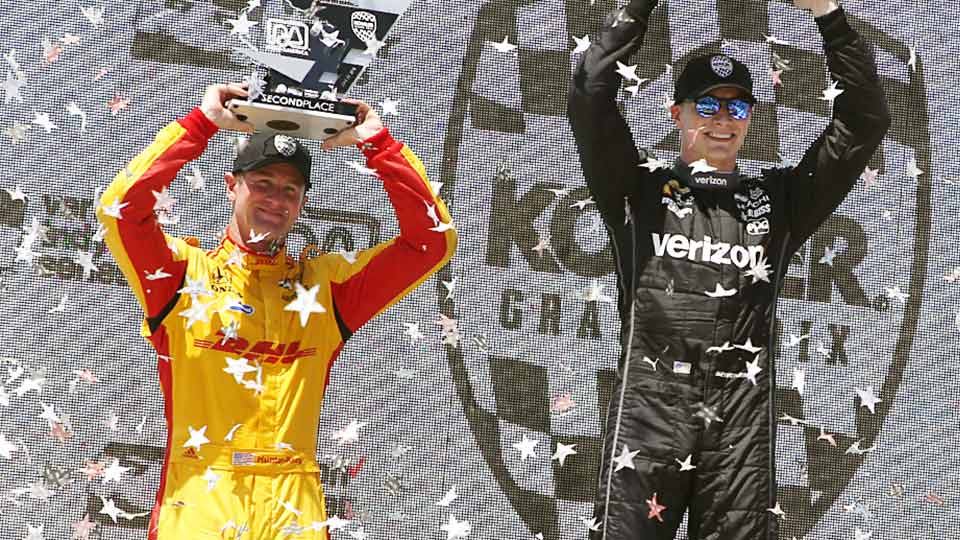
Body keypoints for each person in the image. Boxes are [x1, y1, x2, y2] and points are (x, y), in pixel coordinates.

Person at [567, 0, 889, 538]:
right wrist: (641, 7)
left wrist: (827, 15)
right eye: (707, 105)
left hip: (738, 416)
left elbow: (864, 120)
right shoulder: (636, 186)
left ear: (750, 119)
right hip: (650, 410)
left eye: (737, 107)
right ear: (677, 114)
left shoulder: (780, 200)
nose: (722, 120)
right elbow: (589, 97)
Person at [97, 82, 457, 539]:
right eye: (263, 183)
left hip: (294, 505)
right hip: (201, 499)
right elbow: (120, 211)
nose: (276, 199)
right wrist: (200, 125)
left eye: (290, 190)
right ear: (232, 187)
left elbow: (430, 242)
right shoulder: (183, 275)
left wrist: (379, 145)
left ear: (302, 203)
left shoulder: (326, 288)